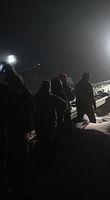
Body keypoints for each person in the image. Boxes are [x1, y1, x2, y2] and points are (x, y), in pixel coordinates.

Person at [0, 62, 34, 199]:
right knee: (17, 168)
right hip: (16, 137)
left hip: (10, 136)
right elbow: (29, 105)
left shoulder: (8, 92)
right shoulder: (16, 92)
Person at [34, 81, 66, 170]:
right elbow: (64, 104)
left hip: (39, 124)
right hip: (50, 124)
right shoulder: (51, 97)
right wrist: (59, 113)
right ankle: (48, 164)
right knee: (49, 144)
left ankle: (39, 163)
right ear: (49, 87)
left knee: (40, 142)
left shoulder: (36, 97)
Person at [51, 77, 67, 150]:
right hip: (60, 115)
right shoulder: (61, 93)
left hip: (52, 117)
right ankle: (60, 146)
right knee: (60, 130)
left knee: (54, 132)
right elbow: (65, 105)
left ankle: (55, 145)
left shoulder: (50, 94)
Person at [59, 73, 75, 137]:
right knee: (67, 123)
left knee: (60, 125)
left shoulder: (54, 87)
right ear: (65, 78)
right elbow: (72, 97)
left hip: (57, 110)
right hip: (66, 108)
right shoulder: (66, 86)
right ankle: (68, 137)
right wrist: (73, 92)